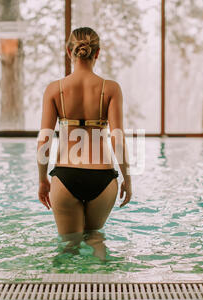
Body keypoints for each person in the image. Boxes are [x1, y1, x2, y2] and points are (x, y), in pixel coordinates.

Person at [37, 27, 132, 259]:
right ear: (97, 53)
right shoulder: (110, 89)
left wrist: (42, 180)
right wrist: (127, 178)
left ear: (69, 52)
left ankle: (60, 293)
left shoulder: (54, 89)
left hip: (65, 177)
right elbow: (117, 137)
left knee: (68, 248)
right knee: (96, 238)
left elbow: (44, 140)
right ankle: (103, 290)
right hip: (103, 178)